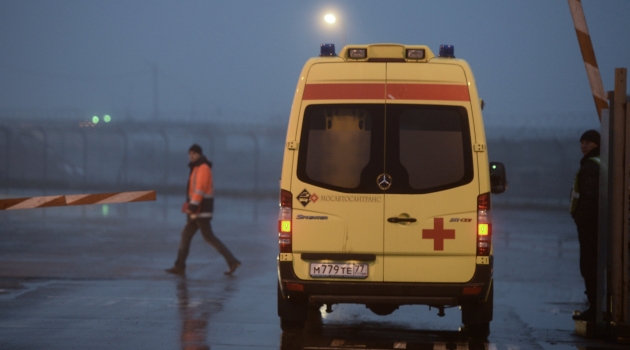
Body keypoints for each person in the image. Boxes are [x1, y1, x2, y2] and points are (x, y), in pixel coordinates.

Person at [166, 144, 241, 276]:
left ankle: (232, 261)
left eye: (194, 153)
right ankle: (179, 266)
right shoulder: (196, 168)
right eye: (190, 154)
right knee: (186, 236)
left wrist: (192, 207)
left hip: (201, 210)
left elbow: (199, 190)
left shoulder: (203, 168)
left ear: (200, 154)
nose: (191, 156)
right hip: (197, 210)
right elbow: (194, 190)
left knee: (208, 237)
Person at [570, 129, 600, 321]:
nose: (583, 146)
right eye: (582, 142)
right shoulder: (599, 162)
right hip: (595, 223)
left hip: (589, 225)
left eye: (588, 143)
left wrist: (581, 218)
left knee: (589, 264)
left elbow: (589, 197)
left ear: (596, 145)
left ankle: (595, 307)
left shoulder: (590, 166)